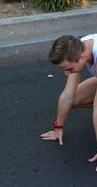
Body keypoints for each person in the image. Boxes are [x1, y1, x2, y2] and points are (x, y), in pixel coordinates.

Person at [41, 34, 97, 172]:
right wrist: (58, 127)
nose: (67, 74)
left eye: (69, 69)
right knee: (75, 99)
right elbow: (68, 96)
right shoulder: (79, 48)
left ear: (82, 57)